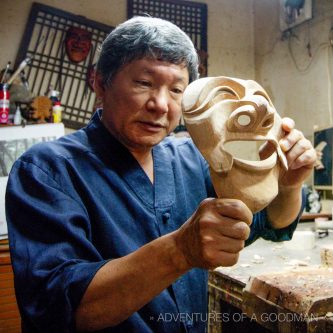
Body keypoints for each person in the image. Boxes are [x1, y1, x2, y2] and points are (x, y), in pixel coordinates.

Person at [6, 16, 316, 333]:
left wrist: (289, 185)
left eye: (176, 90)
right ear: (100, 83)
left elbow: (269, 222)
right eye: (144, 83)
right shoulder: (48, 170)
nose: (161, 105)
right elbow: (56, 309)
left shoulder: (194, 159)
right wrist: (179, 251)